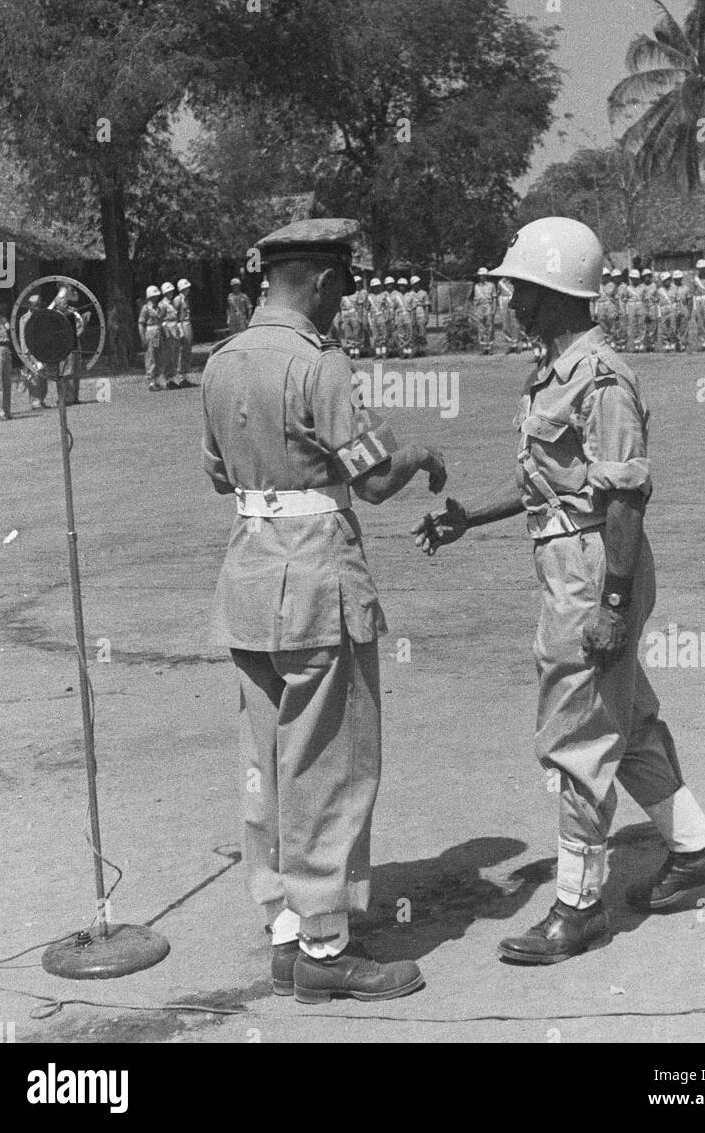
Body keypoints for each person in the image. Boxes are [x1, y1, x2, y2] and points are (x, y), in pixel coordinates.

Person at [412, 216, 705, 965]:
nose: (511, 303)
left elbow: (624, 499)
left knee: (577, 738)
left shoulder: (600, 378)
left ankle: (578, 905)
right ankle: (696, 849)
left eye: (523, 290)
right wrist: (471, 516)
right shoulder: (553, 371)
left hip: (595, 569)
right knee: (628, 724)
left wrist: (613, 606)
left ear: (559, 293)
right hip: (573, 557)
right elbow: (551, 486)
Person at [201, 217, 447, 1003]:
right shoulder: (321, 363)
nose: (343, 302)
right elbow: (372, 479)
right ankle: (327, 946)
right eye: (341, 285)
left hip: (247, 574)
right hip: (313, 578)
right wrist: (418, 454)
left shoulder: (222, 361)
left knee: (269, 760)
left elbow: (217, 474)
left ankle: (284, 931)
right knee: (331, 764)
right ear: (318, 280)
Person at [48, 286, 85, 404]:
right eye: (63, 303)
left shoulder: (72, 314)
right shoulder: (55, 317)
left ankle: (74, 397)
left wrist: (78, 334)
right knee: (66, 373)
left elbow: (80, 326)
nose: (65, 304)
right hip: (64, 349)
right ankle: (65, 398)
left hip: (75, 346)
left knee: (76, 372)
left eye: (66, 302)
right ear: (57, 305)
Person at [18, 293, 49, 409]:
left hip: (42, 350)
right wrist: (25, 353)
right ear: (30, 306)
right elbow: (22, 336)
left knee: (43, 375)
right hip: (31, 351)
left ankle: (42, 399)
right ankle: (35, 401)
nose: (37, 307)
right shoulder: (24, 319)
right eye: (35, 305)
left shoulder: (43, 316)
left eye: (38, 305)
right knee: (34, 376)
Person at [138, 286, 163, 391]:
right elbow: (140, 324)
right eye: (153, 296)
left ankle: (157, 380)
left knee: (158, 357)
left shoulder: (158, 307)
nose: (156, 298)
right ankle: (151, 381)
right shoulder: (146, 308)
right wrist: (143, 338)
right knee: (151, 357)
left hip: (158, 332)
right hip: (150, 332)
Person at [157, 282, 181, 389]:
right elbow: (160, 319)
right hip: (167, 331)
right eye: (168, 292)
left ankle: (172, 379)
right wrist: (163, 331)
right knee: (168, 355)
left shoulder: (171, 304)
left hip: (174, 330)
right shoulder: (162, 304)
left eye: (171, 291)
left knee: (174, 354)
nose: (170, 293)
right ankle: (166, 379)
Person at [173, 279, 195, 386]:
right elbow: (175, 316)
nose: (188, 290)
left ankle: (184, 376)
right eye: (186, 288)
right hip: (181, 324)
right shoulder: (178, 299)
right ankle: (179, 377)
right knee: (182, 350)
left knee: (187, 350)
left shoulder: (186, 299)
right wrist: (178, 329)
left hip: (187, 323)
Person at [472, 267, 497, 354]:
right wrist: (475, 310)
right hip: (479, 307)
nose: (482, 277)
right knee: (481, 328)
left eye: (483, 275)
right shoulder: (476, 286)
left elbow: (494, 298)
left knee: (489, 328)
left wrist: (494, 309)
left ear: (486, 276)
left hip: (488, 306)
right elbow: (475, 299)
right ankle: (483, 348)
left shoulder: (491, 285)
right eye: (480, 276)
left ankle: (490, 347)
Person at [366, 277, 389, 359]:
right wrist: (367, 320)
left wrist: (387, 317)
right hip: (373, 317)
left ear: (379, 286)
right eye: (374, 287)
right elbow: (367, 308)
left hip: (381, 316)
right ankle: (378, 353)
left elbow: (387, 307)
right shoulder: (369, 296)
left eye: (377, 286)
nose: (375, 288)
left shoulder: (384, 295)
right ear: (371, 288)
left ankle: (384, 353)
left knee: (383, 335)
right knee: (375, 336)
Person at [656, 271, 676, 351]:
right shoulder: (659, 291)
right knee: (664, 328)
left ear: (670, 280)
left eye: (668, 280)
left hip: (672, 309)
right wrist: (659, 314)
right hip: (663, 309)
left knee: (673, 327)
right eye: (664, 281)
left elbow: (678, 300)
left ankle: (673, 343)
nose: (666, 282)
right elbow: (657, 303)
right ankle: (666, 343)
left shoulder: (674, 288)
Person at [394, 276, 414, 358]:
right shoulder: (396, 296)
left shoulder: (409, 295)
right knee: (401, 334)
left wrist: (413, 318)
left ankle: (409, 352)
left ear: (406, 286)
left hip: (408, 315)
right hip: (400, 315)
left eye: (403, 285)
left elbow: (413, 308)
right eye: (400, 285)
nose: (402, 287)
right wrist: (395, 320)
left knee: (409, 334)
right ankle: (403, 352)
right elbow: (394, 309)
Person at [410, 275, 430, 356]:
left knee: (422, 332)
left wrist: (427, 317)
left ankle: (423, 350)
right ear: (412, 285)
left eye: (417, 283)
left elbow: (427, 306)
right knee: (414, 332)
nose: (416, 285)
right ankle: (416, 350)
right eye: (415, 284)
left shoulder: (424, 293)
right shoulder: (410, 294)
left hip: (421, 312)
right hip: (413, 313)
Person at [671, 270, 690, 352]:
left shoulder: (686, 288)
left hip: (683, 307)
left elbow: (689, 300)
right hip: (673, 309)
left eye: (679, 278)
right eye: (676, 279)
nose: (677, 280)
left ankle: (683, 344)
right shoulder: (670, 288)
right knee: (674, 327)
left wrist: (689, 311)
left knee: (684, 327)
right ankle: (675, 344)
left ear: (681, 278)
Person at [640, 268, 658, 351]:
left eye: (648, 276)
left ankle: (652, 344)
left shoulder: (654, 285)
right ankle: (644, 344)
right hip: (644, 306)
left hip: (652, 306)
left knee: (653, 325)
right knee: (644, 326)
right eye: (645, 276)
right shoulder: (641, 286)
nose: (647, 278)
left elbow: (657, 296)